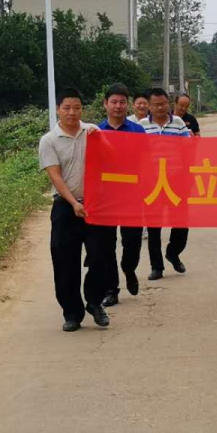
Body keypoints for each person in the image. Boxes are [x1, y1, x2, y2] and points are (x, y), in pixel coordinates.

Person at [38, 87, 112, 332]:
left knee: (101, 256)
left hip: (96, 206)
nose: (72, 112)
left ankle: (94, 302)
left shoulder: (93, 132)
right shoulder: (49, 140)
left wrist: (101, 138)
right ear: (58, 109)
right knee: (65, 261)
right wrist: (74, 203)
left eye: (77, 107)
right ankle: (72, 313)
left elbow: (115, 158)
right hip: (65, 207)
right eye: (67, 108)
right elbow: (55, 177)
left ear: (83, 109)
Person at [96, 83, 147, 307]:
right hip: (105, 199)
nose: (118, 106)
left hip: (131, 197)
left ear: (128, 105)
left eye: (122, 102)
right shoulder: (95, 132)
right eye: (113, 102)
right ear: (105, 104)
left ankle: (129, 269)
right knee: (106, 245)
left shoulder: (138, 131)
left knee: (132, 242)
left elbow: (147, 162)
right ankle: (111, 289)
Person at [140, 88, 193, 279]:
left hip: (176, 180)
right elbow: (137, 153)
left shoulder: (178, 123)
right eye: (155, 104)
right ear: (149, 105)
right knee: (153, 226)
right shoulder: (142, 126)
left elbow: (188, 149)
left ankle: (173, 252)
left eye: (163, 103)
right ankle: (157, 267)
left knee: (181, 222)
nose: (160, 107)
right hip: (152, 183)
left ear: (169, 104)